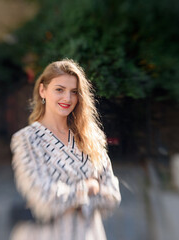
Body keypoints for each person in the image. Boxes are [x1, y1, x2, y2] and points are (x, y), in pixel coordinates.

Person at [10, 59, 121, 240]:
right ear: (43, 91)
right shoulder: (27, 140)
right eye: (59, 90)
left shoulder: (92, 138)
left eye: (74, 92)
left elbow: (112, 197)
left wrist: (66, 197)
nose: (67, 98)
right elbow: (44, 201)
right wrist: (89, 186)